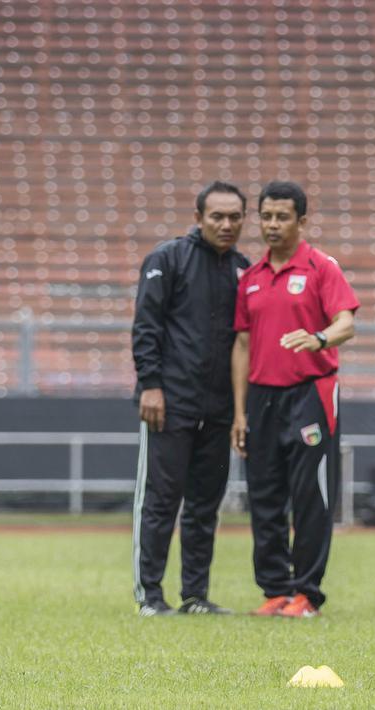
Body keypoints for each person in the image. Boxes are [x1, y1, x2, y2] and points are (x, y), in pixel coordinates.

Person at [231, 180, 359, 618]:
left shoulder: (322, 268)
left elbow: (346, 323)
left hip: (311, 396)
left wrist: (319, 337)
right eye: (266, 216)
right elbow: (242, 346)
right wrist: (238, 412)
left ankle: (306, 593)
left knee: (310, 497)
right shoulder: (250, 278)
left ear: (301, 221)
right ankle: (275, 590)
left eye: (282, 216)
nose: (272, 224)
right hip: (262, 400)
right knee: (264, 497)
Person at [131, 180, 251, 616]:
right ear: (198, 218)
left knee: (204, 506)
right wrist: (151, 385)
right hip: (170, 405)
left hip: (218, 410)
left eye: (234, 217)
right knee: (160, 501)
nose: (226, 224)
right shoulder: (167, 259)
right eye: (217, 216)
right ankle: (150, 594)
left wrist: (240, 409)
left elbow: (245, 343)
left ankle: (195, 596)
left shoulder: (243, 269)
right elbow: (147, 327)